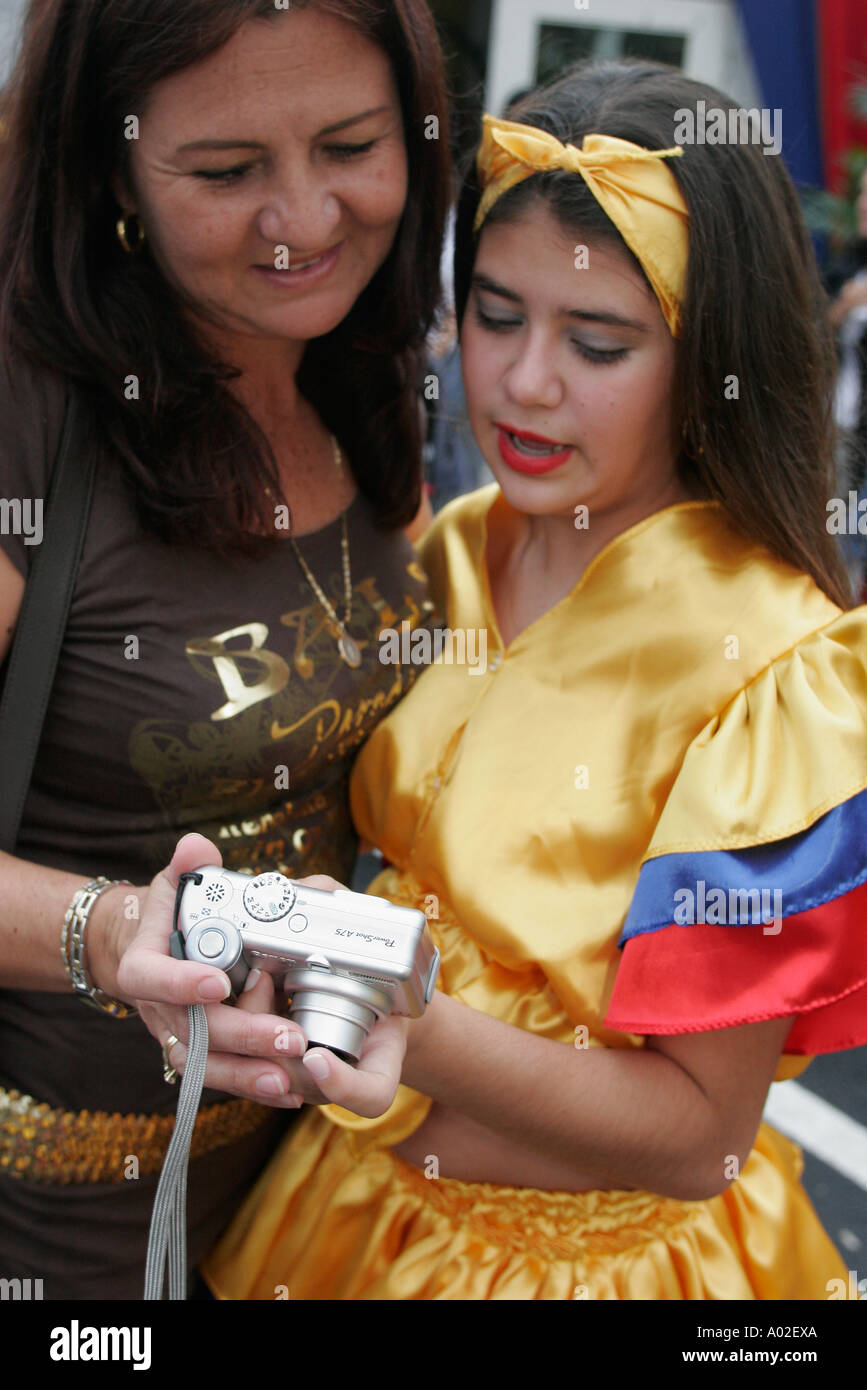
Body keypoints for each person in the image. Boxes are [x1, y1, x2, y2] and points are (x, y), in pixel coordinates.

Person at [197, 60, 867, 1300]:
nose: (523, 381)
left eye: (597, 340)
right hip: (342, 1206)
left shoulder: (782, 669)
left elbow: (700, 1136)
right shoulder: (453, 539)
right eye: (496, 315)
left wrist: (401, 1040)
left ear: (715, 351)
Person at [0, 0, 450, 1299]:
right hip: (53, 1230)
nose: (303, 219)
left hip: (306, 1204)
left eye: (351, 144)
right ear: (111, 167)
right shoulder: (30, 411)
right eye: (225, 170)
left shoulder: (366, 378)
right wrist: (105, 929)